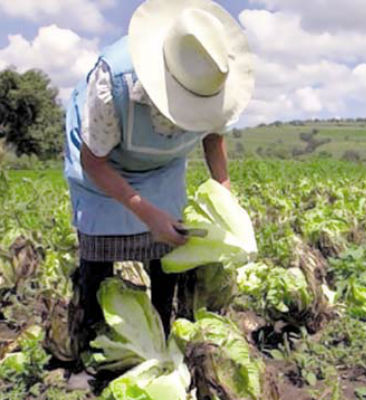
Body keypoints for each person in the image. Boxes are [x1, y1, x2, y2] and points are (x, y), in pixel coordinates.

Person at [63, 0, 254, 358]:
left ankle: (161, 332)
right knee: (98, 250)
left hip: (162, 167)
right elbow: (95, 162)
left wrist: (226, 197)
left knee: (168, 246)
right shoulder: (114, 79)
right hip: (103, 163)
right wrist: (147, 214)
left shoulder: (213, 77)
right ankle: (93, 340)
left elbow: (214, 139)